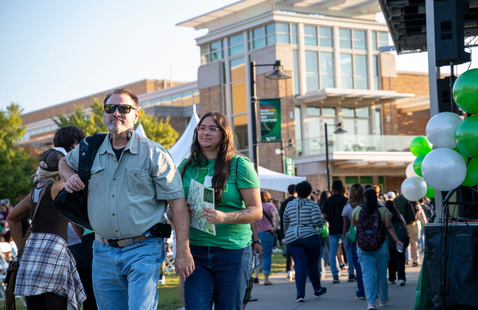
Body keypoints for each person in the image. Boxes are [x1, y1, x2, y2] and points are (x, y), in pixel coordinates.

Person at [59, 88, 194, 309]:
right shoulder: (89, 149)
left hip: (144, 248)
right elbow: (64, 163)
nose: (117, 113)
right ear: (104, 114)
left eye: (124, 108)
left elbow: (177, 203)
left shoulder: (154, 154)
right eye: (110, 108)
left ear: (136, 115)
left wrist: (183, 251)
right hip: (102, 251)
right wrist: (70, 177)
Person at [178, 112, 262, 310]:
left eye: (212, 129)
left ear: (224, 134)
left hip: (233, 252)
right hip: (195, 252)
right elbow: (172, 211)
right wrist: (181, 213)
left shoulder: (240, 165)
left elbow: (256, 211)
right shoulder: (185, 166)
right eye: (202, 128)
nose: (205, 132)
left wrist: (224, 217)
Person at [7, 148, 86, 309]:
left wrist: (21, 250)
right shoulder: (59, 187)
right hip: (53, 256)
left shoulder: (35, 191)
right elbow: (76, 213)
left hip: (31, 257)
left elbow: (12, 218)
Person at [352, 188, 404, 310]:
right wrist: (397, 240)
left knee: (367, 274)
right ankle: (383, 299)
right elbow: (388, 226)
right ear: (376, 197)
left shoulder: (358, 210)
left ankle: (370, 303)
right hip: (381, 245)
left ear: (364, 197)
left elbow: (354, 224)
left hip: (363, 246)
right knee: (381, 274)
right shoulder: (383, 210)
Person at [283, 180, 327, 302]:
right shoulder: (312, 204)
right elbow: (317, 221)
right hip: (310, 236)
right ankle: (317, 289)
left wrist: (287, 234)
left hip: (293, 238)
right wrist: (321, 224)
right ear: (308, 192)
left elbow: (285, 221)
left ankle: (300, 294)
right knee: (313, 264)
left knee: (300, 264)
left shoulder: (289, 205)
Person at [323, 179, 349, 283]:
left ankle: (335, 274)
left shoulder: (328, 201)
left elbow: (325, 215)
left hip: (333, 229)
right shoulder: (345, 200)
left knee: (332, 252)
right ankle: (351, 273)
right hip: (344, 228)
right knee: (348, 250)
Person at [342, 183, 365, 299]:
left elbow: (346, 226)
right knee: (370, 266)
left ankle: (361, 290)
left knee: (358, 265)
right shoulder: (367, 205)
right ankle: (372, 289)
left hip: (354, 237)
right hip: (368, 236)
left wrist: (345, 239)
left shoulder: (347, 208)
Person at [254, 190, 279, 285]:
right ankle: (265, 279)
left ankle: (256, 275)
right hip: (268, 233)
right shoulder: (270, 206)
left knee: (257, 255)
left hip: (257, 234)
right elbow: (275, 215)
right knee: (267, 256)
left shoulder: (255, 206)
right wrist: (275, 227)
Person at [385, 200, 408, 286]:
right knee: (400, 260)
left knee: (391, 261)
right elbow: (404, 225)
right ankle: (401, 278)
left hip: (390, 241)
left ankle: (392, 277)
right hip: (400, 241)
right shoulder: (398, 215)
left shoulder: (386, 215)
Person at [280, 184, 297, 281]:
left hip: (288, 230)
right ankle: (295, 270)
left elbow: (282, 220)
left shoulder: (284, 203)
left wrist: (283, 235)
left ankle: (289, 271)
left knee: (289, 251)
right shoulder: (298, 202)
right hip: (297, 229)